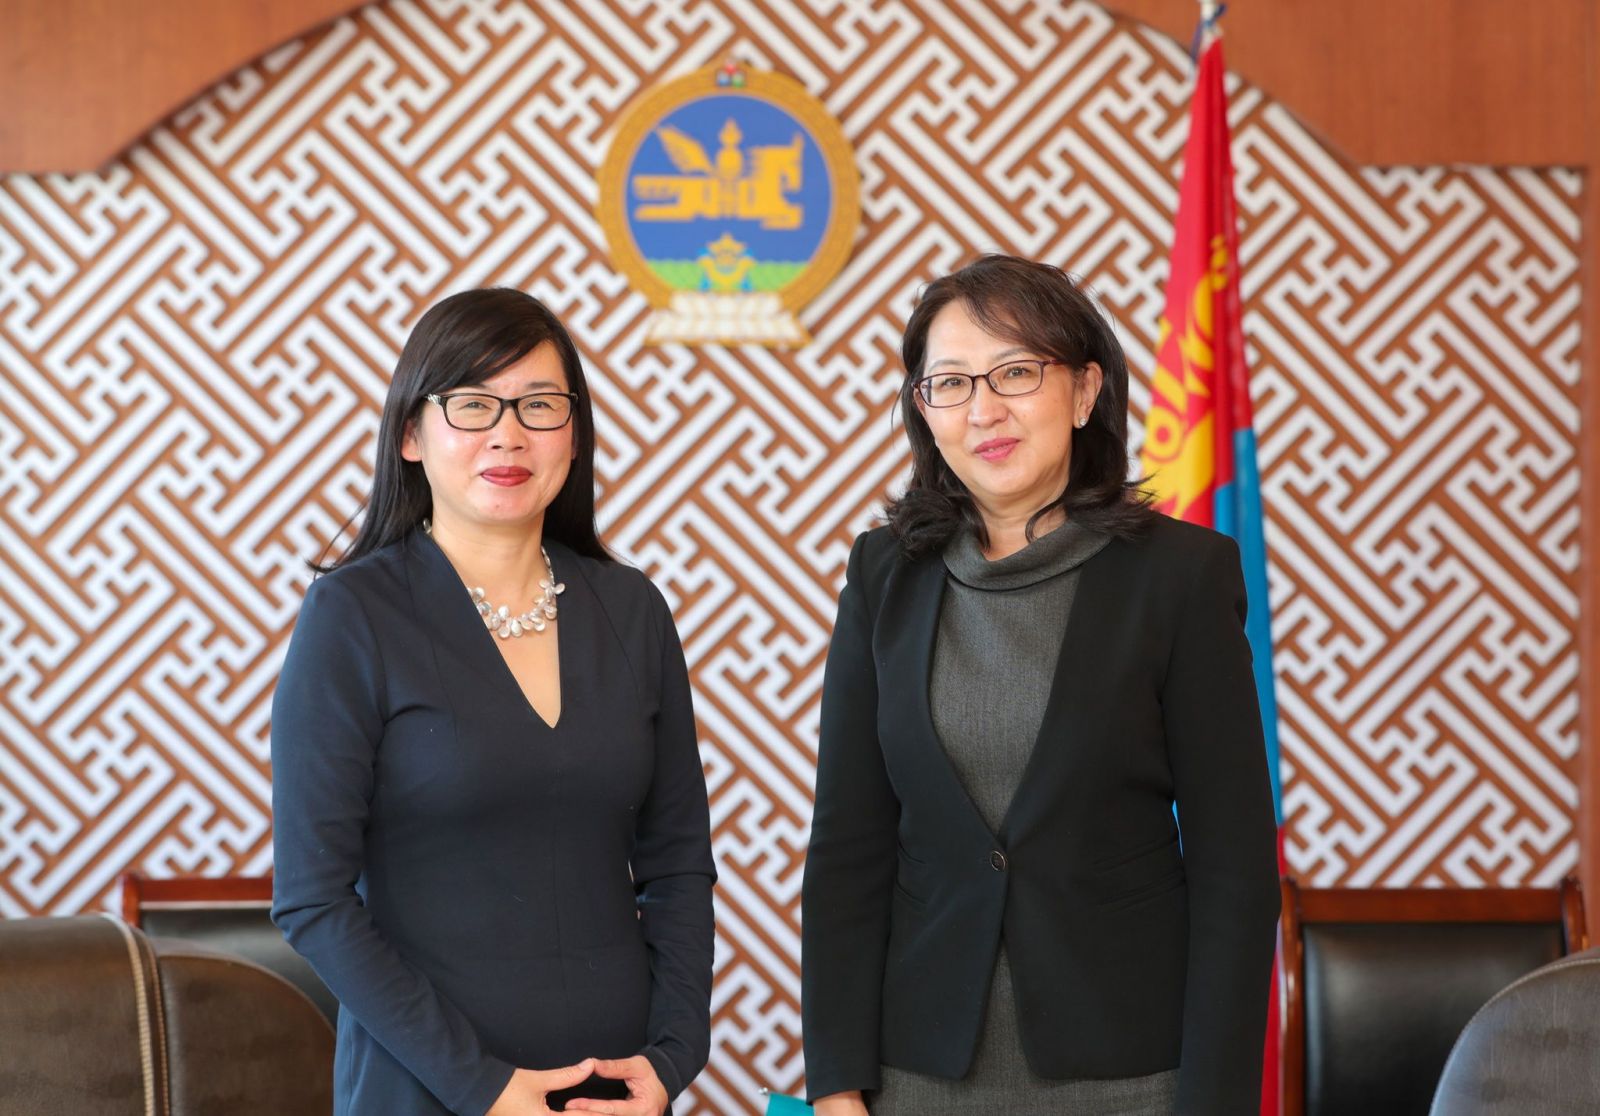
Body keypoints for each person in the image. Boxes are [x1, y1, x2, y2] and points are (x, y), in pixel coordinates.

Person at [801, 255, 1279, 1115]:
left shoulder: (1181, 577)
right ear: (924, 411)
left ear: (1085, 390)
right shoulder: (884, 575)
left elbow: (1234, 870)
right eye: (950, 383)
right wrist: (835, 1080)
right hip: (920, 1072)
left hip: (1130, 1075)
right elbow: (848, 845)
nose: (983, 409)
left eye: (1016, 372)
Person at [270, 288, 715, 1116]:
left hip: (612, 1090)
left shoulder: (633, 610)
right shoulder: (352, 616)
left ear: (574, 433)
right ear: (411, 434)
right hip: (425, 1086)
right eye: (472, 404)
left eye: (540, 405)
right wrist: (485, 1087)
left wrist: (674, 1054)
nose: (508, 434)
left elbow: (678, 863)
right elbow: (312, 900)